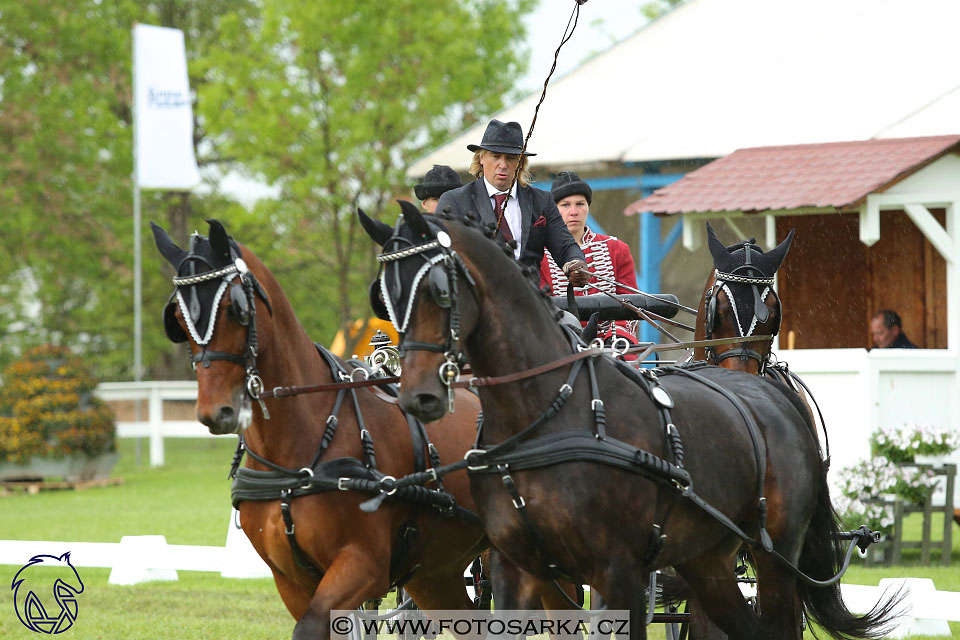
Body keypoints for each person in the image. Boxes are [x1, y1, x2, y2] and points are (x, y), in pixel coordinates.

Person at [435, 119, 588, 286]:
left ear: (520, 163)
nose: (503, 165)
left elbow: (565, 246)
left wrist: (575, 263)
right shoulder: (455, 200)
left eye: (511, 158)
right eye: (496, 156)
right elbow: (442, 254)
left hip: (530, 299)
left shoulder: (542, 200)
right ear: (481, 158)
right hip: (479, 301)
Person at [540, 171, 640, 348]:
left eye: (580, 204)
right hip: (562, 345)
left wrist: (614, 338)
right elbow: (541, 308)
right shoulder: (540, 254)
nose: (574, 212)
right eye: (565, 205)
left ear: (588, 207)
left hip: (614, 346)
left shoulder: (617, 249)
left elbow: (631, 303)